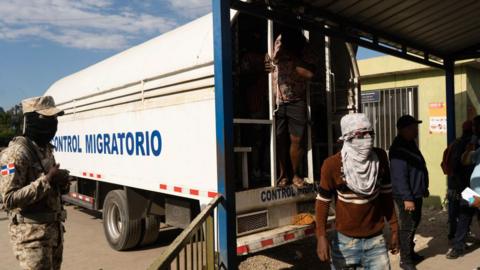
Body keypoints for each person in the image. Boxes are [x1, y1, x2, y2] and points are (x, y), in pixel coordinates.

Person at [316, 113, 399, 269]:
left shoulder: (380, 158)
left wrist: (394, 228)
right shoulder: (332, 165)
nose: (367, 139)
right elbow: (322, 203)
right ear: (347, 138)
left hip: (376, 242)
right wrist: (321, 236)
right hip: (345, 242)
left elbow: (386, 196)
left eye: (370, 133)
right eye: (361, 134)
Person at [0, 96, 70, 270]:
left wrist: (61, 183)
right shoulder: (15, 153)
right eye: (48, 119)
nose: (53, 123)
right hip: (32, 239)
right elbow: (8, 199)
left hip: (53, 234)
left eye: (55, 119)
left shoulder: (45, 148)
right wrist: (46, 181)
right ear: (32, 119)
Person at [266, 28, 316, 188]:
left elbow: (310, 73)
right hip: (278, 100)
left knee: (297, 139)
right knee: (280, 138)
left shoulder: (303, 44)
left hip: (296, 99)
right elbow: (269, 59)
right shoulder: (275, 40)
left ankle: (294, 174)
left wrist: (294, 61)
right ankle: (283, 174)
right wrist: (267, 61)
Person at [389, 115, 429, 270]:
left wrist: (423, 187)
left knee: (414, 224)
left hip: (415, 193)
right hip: (406, 196)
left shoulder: (409, 143)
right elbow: (399, 176)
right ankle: (405, 260)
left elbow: (417, 169)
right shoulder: (399, 148)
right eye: (413, 128)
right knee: (408, 226)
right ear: (403, 130)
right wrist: (407, 198)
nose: (416, 130)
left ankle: (410, 254)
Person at [443, 120, 474, 242]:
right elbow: (457, 165)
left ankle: (453, 235)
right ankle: (459, 240)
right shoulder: (468, 144)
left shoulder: (455, 143)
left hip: (454, 184)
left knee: (455, 210)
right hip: (465, 186)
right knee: (466, 213)